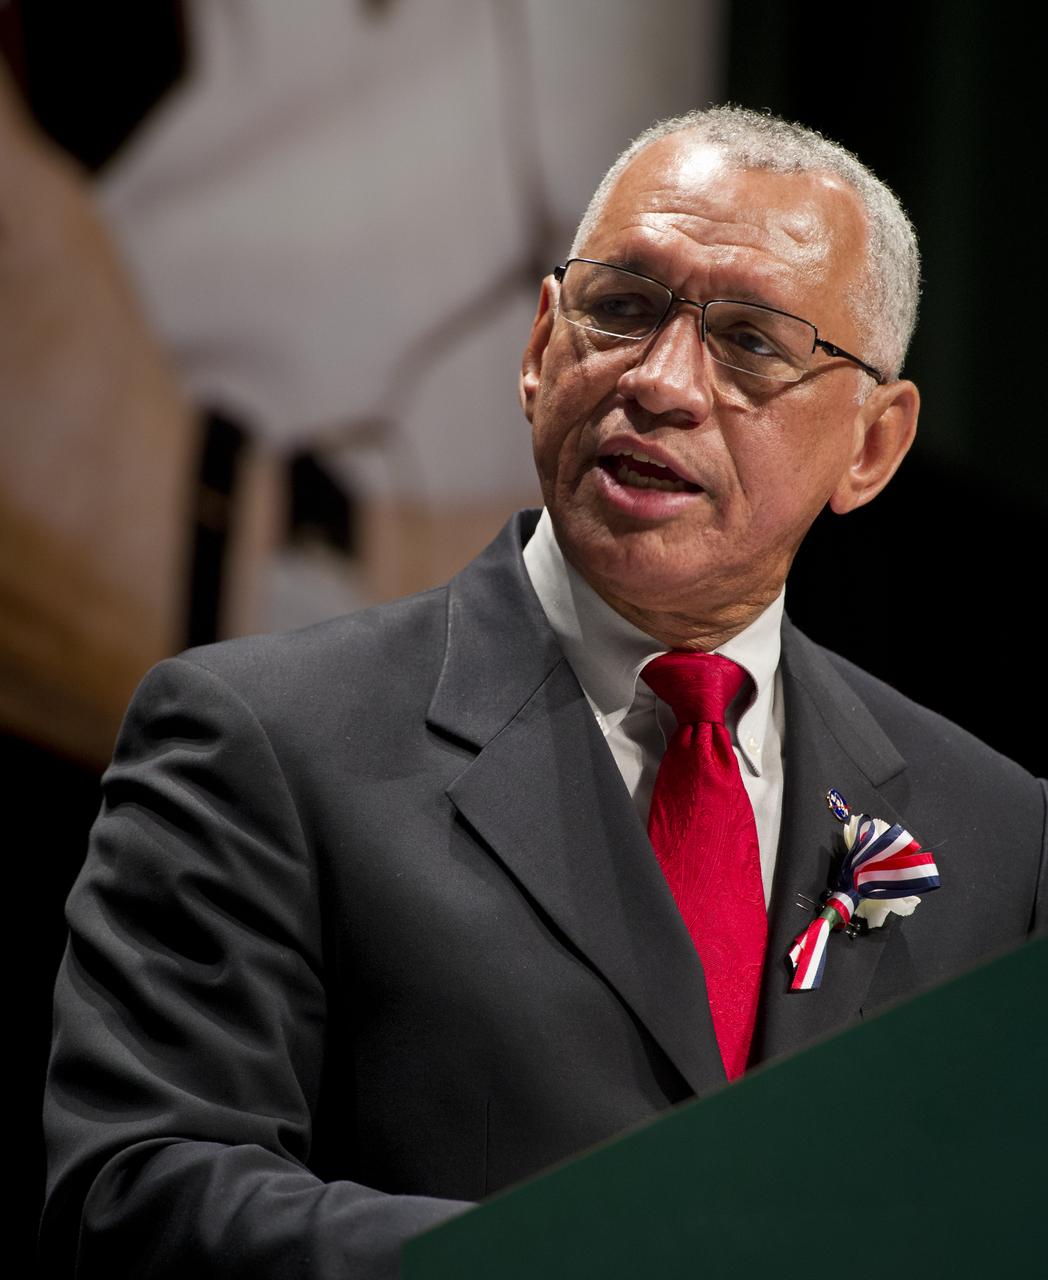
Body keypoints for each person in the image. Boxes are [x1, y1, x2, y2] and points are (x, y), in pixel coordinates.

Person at [43, 106, 1046, 1279]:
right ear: (538, 349)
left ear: (872, 446)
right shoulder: (261, 742)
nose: (664, 383)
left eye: (752, 344)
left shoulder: (993, 832)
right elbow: (136, 1199)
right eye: (621, 309)